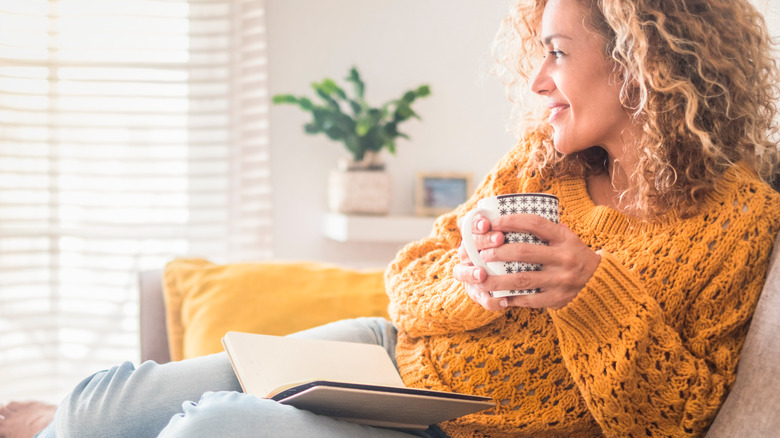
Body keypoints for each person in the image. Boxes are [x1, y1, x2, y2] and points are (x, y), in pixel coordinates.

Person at [2, 0, 780, 436]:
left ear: (644, 61)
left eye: (556, 53)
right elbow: (406, 285)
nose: (537, 79)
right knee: (101, 404)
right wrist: (468, 278)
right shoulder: (543, 166)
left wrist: (590, 293)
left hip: (447, 430)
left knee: (209, 429)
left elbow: (674, 422)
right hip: (386, 358)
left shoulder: (737, 221)